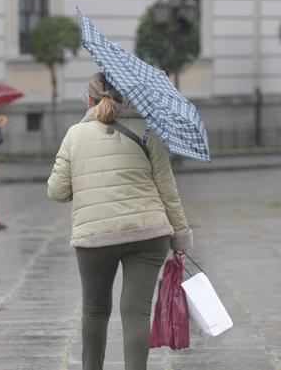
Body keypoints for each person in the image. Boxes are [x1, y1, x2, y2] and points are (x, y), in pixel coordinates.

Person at [47, 72, 193, 370]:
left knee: (95, 310)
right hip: (148, 233)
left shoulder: (75, 134)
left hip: (95, 236)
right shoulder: (148, 131)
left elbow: (57, 191)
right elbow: (168, 189)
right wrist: (180, 237)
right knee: (136, 312)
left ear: (89, 99)